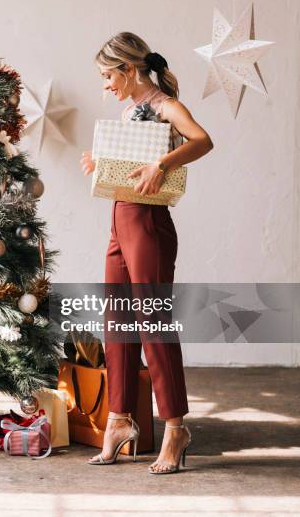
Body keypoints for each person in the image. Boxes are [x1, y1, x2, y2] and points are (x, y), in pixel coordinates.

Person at [80, 32, 214, 474]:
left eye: (107, 76)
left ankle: (175, 427)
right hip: (120, 220)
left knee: (152, 321)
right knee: (116, 321)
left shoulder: (164, 106)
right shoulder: (128, 111)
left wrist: (163, 164)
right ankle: (120, 420)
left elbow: (202, 140)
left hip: (149, 226)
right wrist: (100, 165)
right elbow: (130, 167)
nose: (105, 85)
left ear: (129, 70)